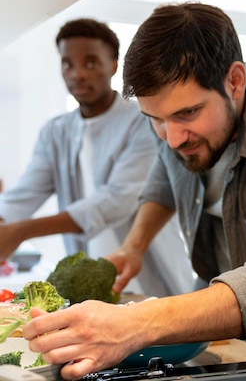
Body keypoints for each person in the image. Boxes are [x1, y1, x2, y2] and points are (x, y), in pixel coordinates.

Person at [24, 3, 246, 380]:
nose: (171, 138)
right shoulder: (173, 125)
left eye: (187, 115)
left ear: (234, 82)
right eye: (156, 120)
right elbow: (164, 177)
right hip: (214, 307)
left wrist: (134, 323)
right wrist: (134, 247)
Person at [0, 18, 191, 297]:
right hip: (90, 285)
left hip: (151, 277)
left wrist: (21, 232)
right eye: (68, 64)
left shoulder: (144, 121)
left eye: (90, 62)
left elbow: (115, 201)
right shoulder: (55, 132)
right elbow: (25, 195)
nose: (77, 73)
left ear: (113, 65)